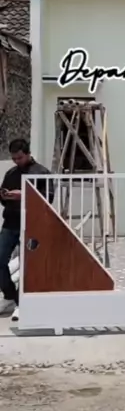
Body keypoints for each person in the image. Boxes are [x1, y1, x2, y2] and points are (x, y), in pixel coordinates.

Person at [0, 138, 51, 322]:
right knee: (0, 259)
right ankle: (9, 296)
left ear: (28, 154)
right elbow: (3, 198)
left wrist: (24, 195)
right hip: (10, 223)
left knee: (27, 264)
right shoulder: (11, 173)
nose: (17, 161)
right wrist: (5, 196)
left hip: (32, 224)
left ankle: (22, 304)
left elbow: (48, 199)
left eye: (19, 158)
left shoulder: (42, 172)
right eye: (14, 158)